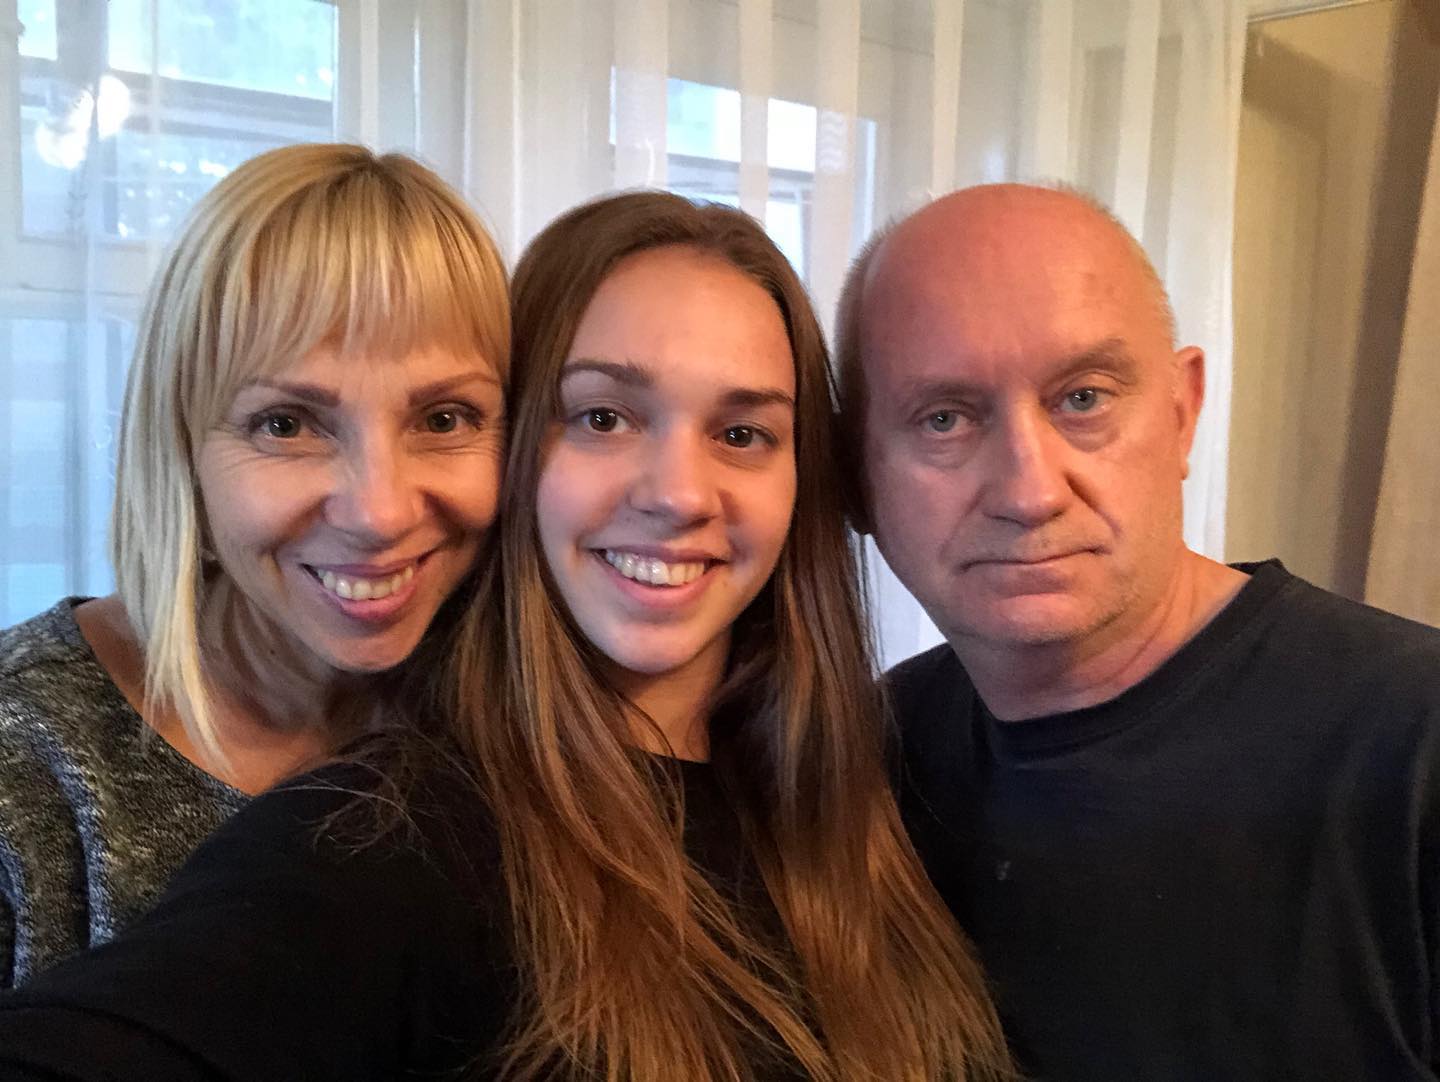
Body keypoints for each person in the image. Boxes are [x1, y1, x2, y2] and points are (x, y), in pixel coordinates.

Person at [0, 192, 1012, 1081]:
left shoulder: (874, 789)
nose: (678, 493)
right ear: (521, 447)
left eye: (743, 433)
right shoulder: (390, 837)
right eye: (604, 416)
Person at [836, 182, 1440, 1080]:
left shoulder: (1414, 743)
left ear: (1182, 412)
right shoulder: (860, 769)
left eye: (1083, 398)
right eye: (945, 419)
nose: (1030, 492)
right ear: (854, 476)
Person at [0, 144, 509, 987]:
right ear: (182, 451)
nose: (380, 512)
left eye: (445, 418)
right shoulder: (26, 764)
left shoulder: (515, 723)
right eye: (286, 424)